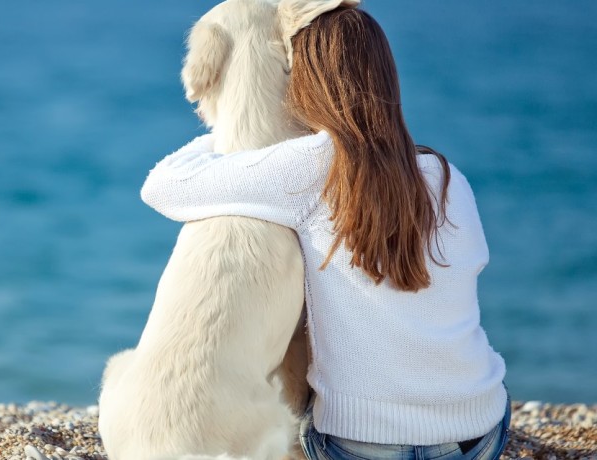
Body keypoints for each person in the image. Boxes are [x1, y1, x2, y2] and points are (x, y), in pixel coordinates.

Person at [141, 6, 509, 460]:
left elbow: (163, 186)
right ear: (389, 79)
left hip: (361, 446)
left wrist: (223, 143)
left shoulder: (310, 165)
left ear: (306, 83)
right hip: (480, 434)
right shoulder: (445, 175)